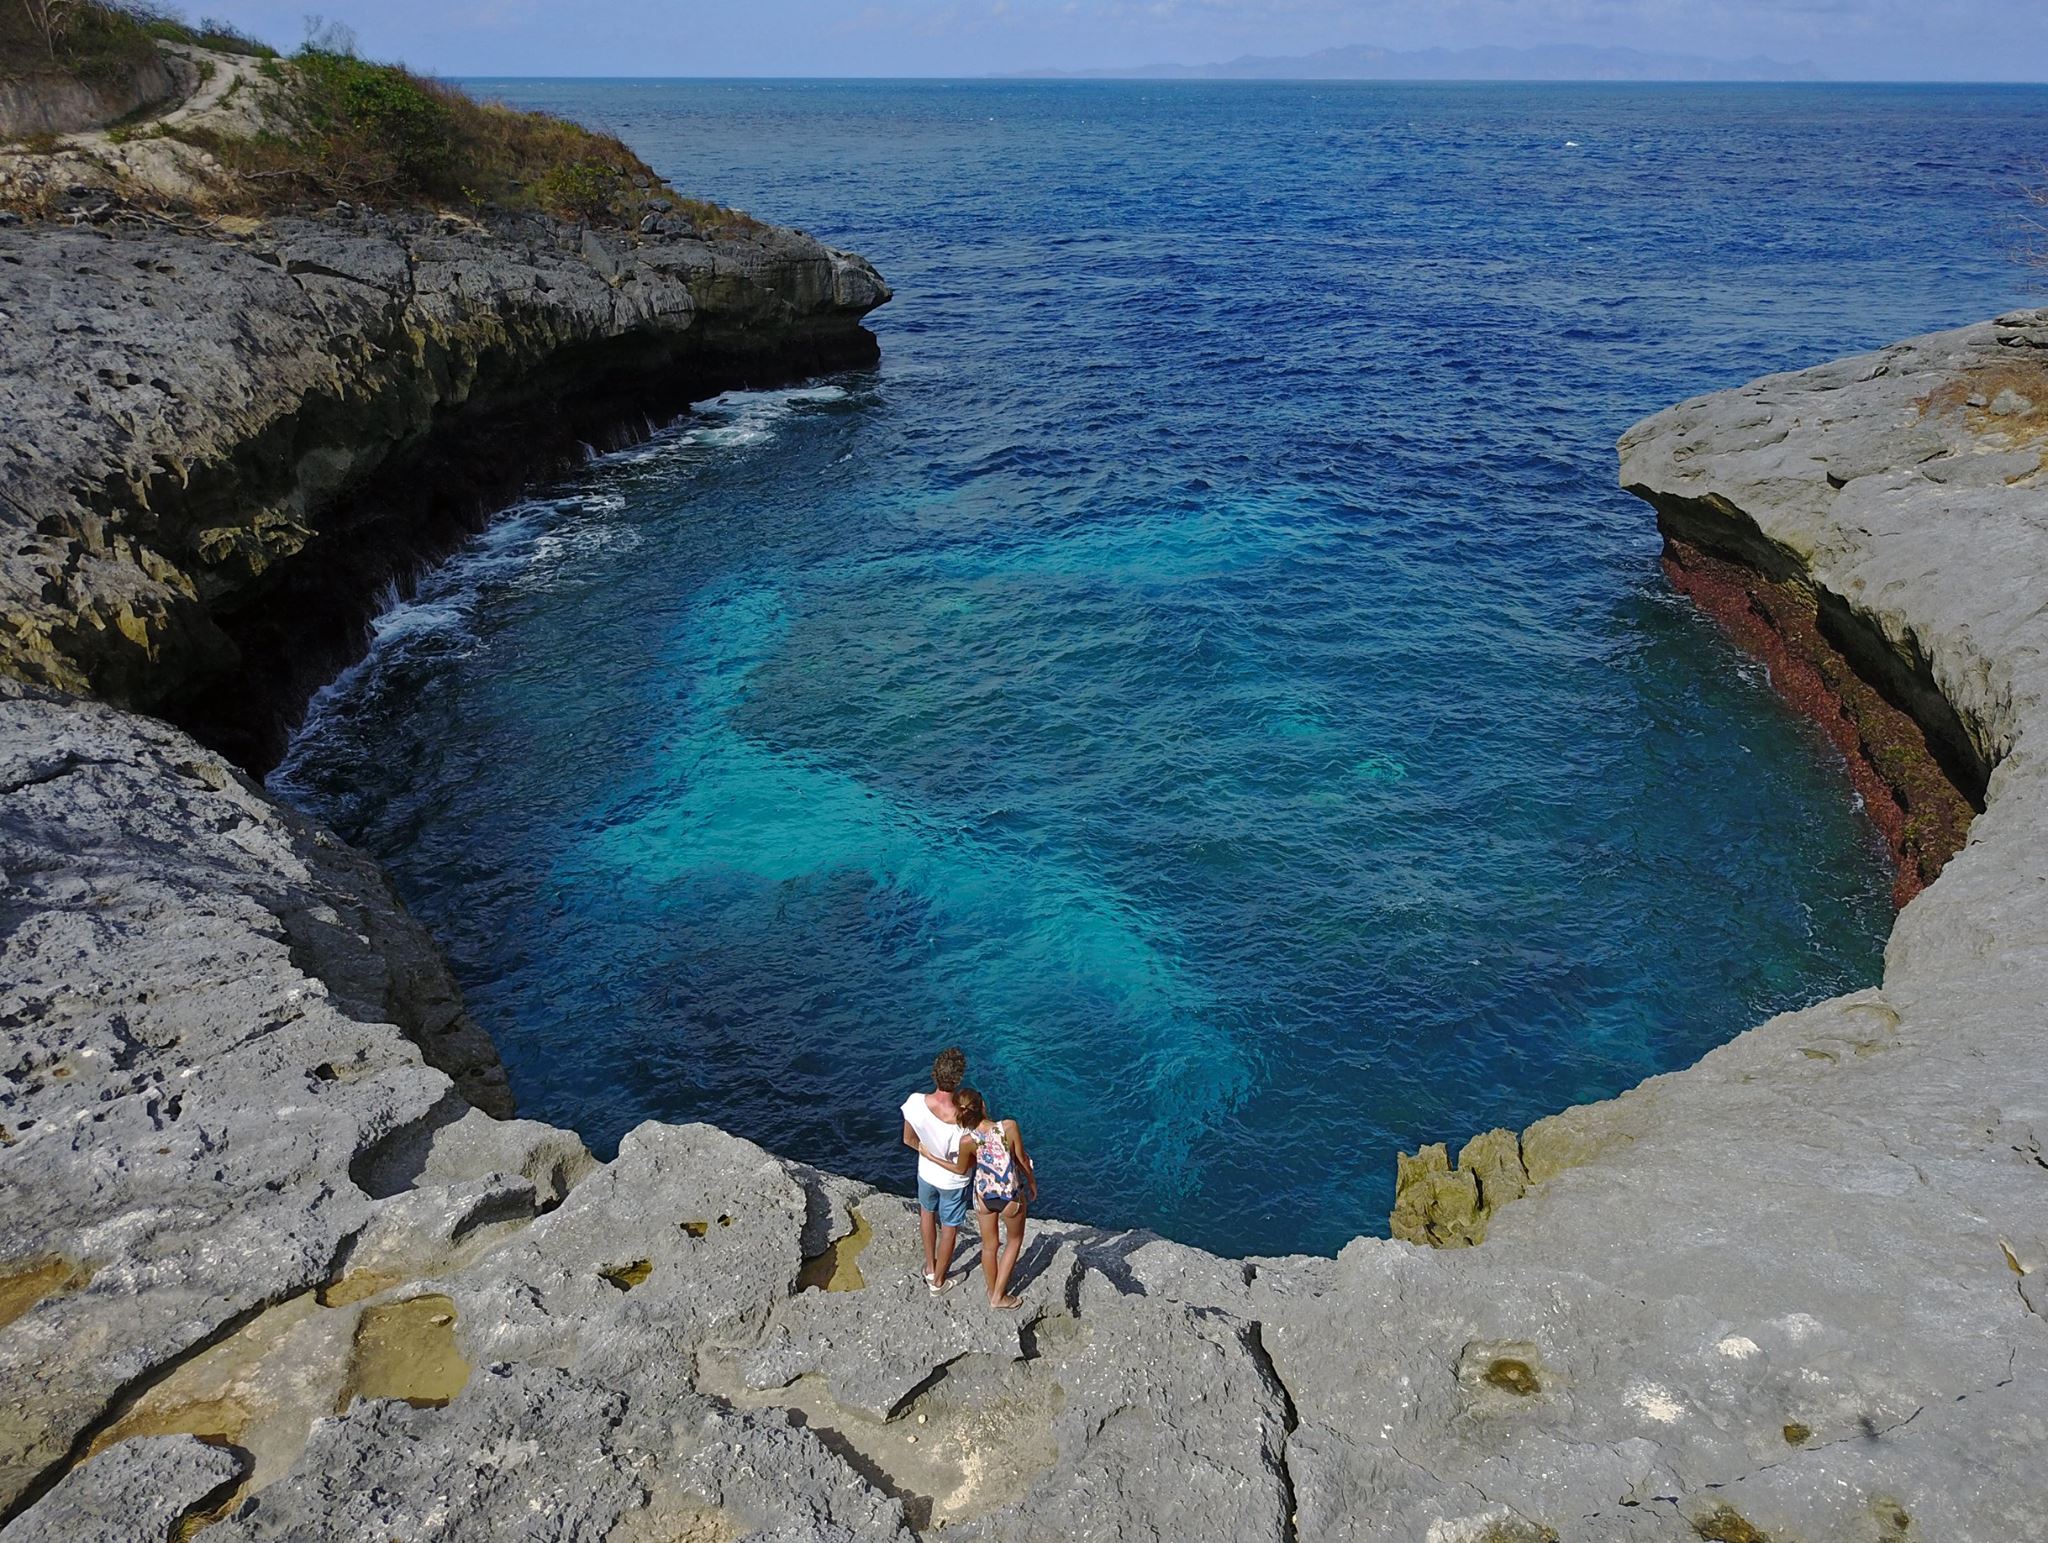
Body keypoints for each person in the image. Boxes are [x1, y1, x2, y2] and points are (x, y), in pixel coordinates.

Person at [919, 1086, 1036, 1309]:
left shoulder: (967, 1142)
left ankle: (993, 1290)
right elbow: (1020, 1159)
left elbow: (959, 1169)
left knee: (989, 1246)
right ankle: (998, 1297)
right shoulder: (1009, 1127)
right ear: (982, 1105)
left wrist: (929, 1156)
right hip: (1009, 1197)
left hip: (983, 1198)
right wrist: (1032, 1182)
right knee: (1014, 1241)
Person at [900, 1046, 971, 1293]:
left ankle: (930, 1268)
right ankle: (939, 1282)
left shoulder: (915, 1103)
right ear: (959, 1079)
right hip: (953, 1182)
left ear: (934, 1074)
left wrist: (927, 1152)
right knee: (950, 1228)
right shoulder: (964, 1119)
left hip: (926, 1173)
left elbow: (908, 1139)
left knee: (927, 1214)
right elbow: (967, 1162)